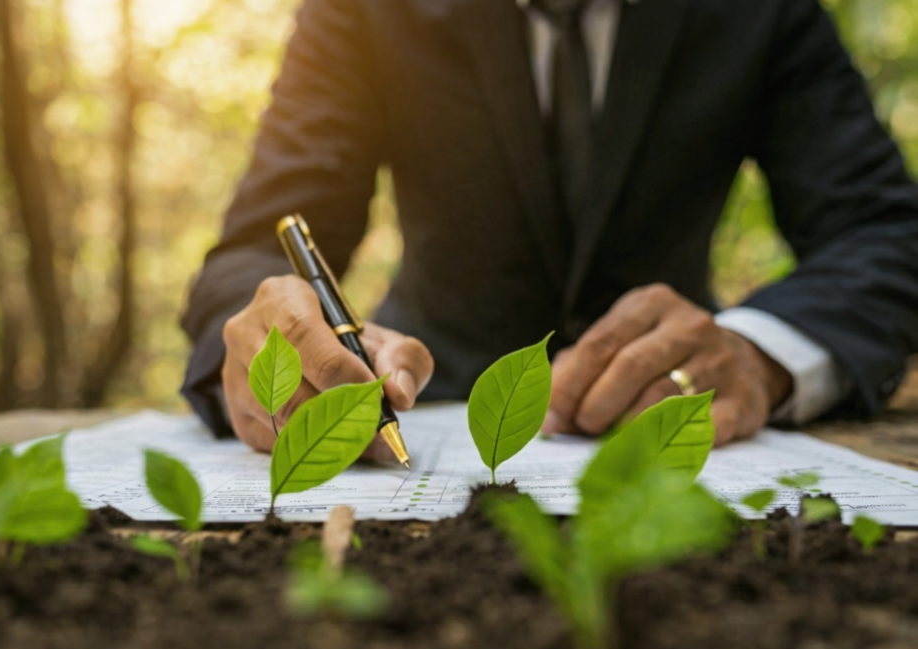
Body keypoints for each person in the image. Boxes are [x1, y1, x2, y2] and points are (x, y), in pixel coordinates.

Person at [180, 0, 918, 455]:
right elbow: (256, 244)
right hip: (421, 410)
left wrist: (759, 357)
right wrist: (262, 347)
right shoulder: (365, 11)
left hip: (677, 423)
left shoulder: (762, 11)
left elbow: (885, 232)